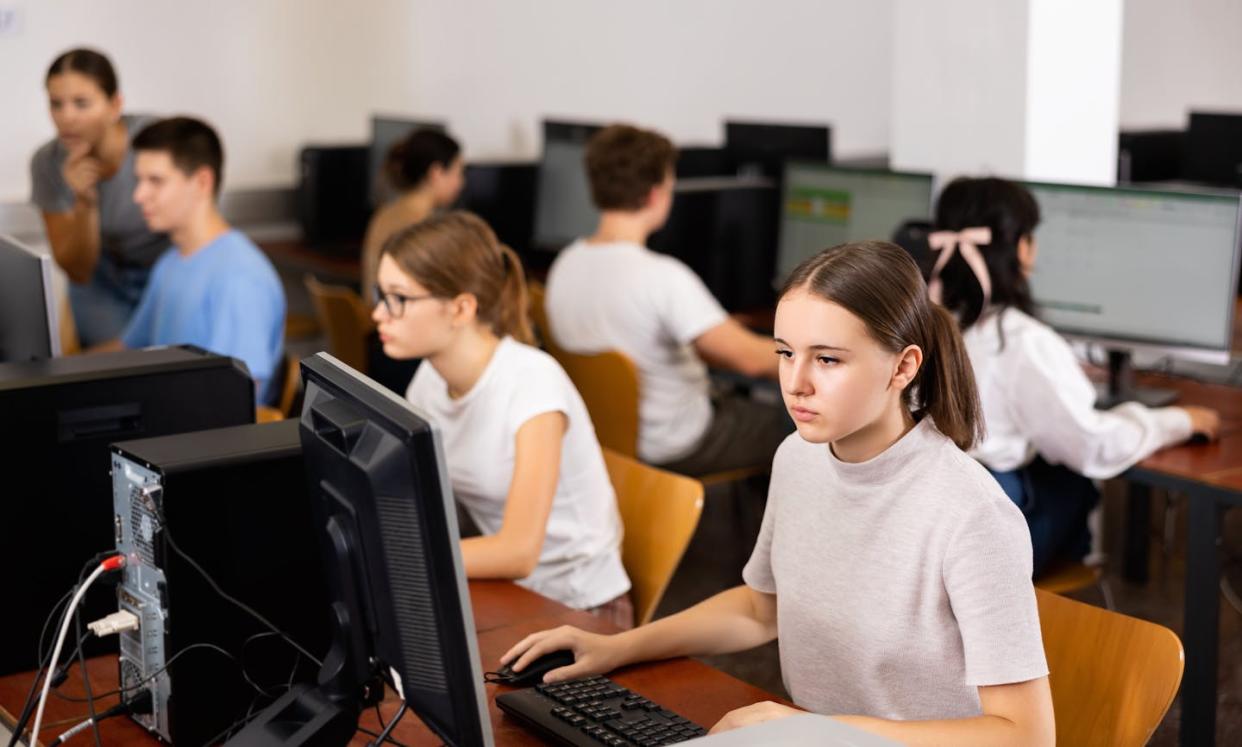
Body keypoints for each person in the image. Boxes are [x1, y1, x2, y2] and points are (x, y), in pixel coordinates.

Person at [502, 241, 1055, 744]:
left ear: (903, 367)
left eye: (828, 359)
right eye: (786, 353)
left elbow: (1026, 735)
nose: (796, 383)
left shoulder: (971, 514)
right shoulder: (799, 456)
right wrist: (618, 646)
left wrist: (813, 731)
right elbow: (761, 608)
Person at [927, 176, 1220, 576]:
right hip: (983, 546)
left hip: (927, 527)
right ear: (1022, 249)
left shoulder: (923, 325)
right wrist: (1179, 421)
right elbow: (1092, 445)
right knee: (1070, 475)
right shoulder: (1020, 340)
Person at [374, 210, 632, 625]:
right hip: (504, 590)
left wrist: (396, 554)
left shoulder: (533, 384)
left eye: (398, 299)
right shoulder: (428, 381)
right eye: (381, 295)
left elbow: (518, 552)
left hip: (579, 607)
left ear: (460, 309)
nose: (379, 314)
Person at [544, 123, 786, 477]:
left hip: (607, 438)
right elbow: (750, 361)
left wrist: (718, 326)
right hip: (678, 442)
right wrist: (820, 356)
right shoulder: (662, 277)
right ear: (657, 194)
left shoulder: (565, 265)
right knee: (794, 424)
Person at [92, 117, 285, 404]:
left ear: (201, 182)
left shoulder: (240, 278)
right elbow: (128, 347)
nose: (139, 196)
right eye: (139, 181)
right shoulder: (169, 263)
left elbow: (234, 405)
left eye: (155, 181)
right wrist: (56, 374)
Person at [30, 48, 167, 346]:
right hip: (101, 277)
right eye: (56, 104)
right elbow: (78, 270)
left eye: (81, 103)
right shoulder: (47, 163)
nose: (66, 117)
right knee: (112, 377)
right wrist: (85, 203)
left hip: (165, 270)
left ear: (115, 104)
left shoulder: (156, 139)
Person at [360, 128, 465, 299]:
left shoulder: (384, 213)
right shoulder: (423, 226)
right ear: (436, 173)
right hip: (400, 319)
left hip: (377, 314)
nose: (461, 183)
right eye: (458, 172)